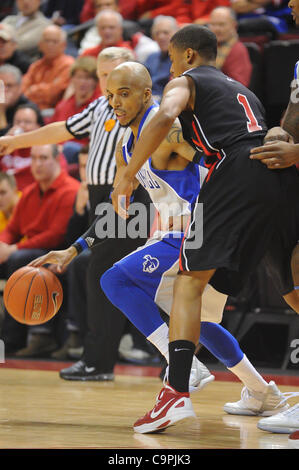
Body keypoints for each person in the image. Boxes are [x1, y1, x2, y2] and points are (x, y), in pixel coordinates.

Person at [29, 61, 295, 417]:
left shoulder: (173, 132)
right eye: (109, 95)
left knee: (115, 278)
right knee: (200, 321)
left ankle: (182, 363)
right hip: (183, 234)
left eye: (124, 93)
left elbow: (221, 160)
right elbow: (116, 213)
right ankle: (263, 391)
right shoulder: (128, 148)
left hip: (197, 229)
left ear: (146, 94)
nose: (116, 102)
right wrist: (73, 250)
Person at [111, 25, 299, 434]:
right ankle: (255, 390)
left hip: (234, 172)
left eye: (175, 60)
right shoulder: (242, 90)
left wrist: (127, 175)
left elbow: (164, 114)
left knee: (187, 282)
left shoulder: (187, 81)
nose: (172, 69)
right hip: (275, 173)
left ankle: (175, 392)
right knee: (289, 287)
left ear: (190, 57)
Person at [0, 47, 157, 378]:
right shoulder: (100, 106)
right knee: (102, 275)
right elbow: (61, 129)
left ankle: (100, 361)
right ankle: (106, 358)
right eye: (101, 77)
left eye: (111, 76)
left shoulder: (137, 111)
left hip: (130, 198)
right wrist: (17, 142)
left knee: (104, 276)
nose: (105, 84)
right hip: (103, 197)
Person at [0, 143, 80, 355]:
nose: (37, 164)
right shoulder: (28, 193)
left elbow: (56, 235)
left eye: (43, 158)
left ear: (57, 160)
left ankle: (35, 335)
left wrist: (13, 248)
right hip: (27, 251)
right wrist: (2, 245)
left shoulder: (70, 190)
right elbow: (12, 229)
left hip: (58, 254)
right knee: (17, 256)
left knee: (20, 258)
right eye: (34, 158)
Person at [49, 55, 101, 163]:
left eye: (87, 78)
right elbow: (51, 132)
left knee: (69, 148)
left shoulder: (99, 106)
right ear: (72, 79)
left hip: (85, 157)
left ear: (95, 81)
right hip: (57, 155)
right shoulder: (63, 105)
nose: (83, 82)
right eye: (79, 77)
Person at [21, 24, 75, 111]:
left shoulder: (68, 65)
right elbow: (22, 91)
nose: (50, 45)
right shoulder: (36, 66)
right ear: (40, 45)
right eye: (47, 41)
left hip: (53, 113)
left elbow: (52, 95)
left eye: (54, 42)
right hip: (30, 110)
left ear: (63, 45)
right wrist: (42, 89)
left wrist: (33, 89)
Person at [80, 9, 159, 64]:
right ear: (98, 30)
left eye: (111, 27)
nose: (107, 31)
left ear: (120, 29)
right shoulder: (88, 54)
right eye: (103, 28)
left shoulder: (127, 55)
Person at [0, 103, 45, 190]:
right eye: (17, 122)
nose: (21, 126)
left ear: (38, 127)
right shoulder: (5, 146)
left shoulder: (46, 151)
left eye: (27, 122)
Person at [208, 7, 252, 87]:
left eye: (222, 24)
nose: (217, 29)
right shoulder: (206, 47)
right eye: (213, 24)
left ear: (234, 26)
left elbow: (239, 86)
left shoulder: (238, 50)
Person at [144, 15, 178, 102]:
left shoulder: (182, 61)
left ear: (177, 34)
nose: (161, 37)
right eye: (157, 33)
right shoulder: (151, 58)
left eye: (165, 33)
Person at [0, 64, 35, 137]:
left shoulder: (28, 109)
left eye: (9, 85)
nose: (4, 90)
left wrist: (1, 110)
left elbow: (10, 139)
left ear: (20, 87)